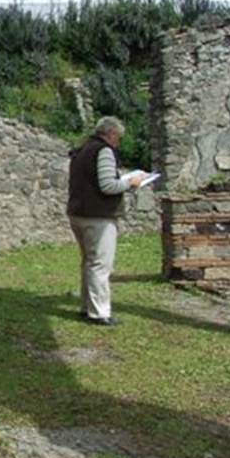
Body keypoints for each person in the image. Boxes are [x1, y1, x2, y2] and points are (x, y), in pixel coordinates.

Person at [67, 116, 144, 326]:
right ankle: (100, 312)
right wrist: (131, 182)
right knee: (100, 264)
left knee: (89, 262)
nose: (118, 142)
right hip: (97, 215)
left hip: (78, 213)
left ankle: (87, 307)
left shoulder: (82, 149)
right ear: (110, 134)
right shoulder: (104, 151)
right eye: (117, 137)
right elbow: (108, 186)